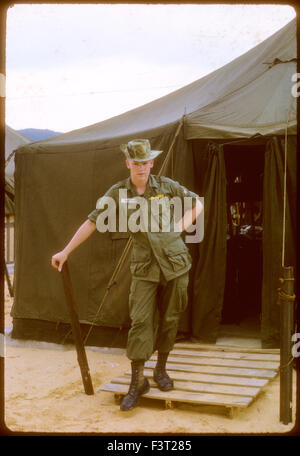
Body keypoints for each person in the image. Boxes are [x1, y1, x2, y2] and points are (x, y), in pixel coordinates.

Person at [51, 139, 203, 411]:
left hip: (175, 263)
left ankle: (161, 371)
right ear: (128, 163)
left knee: (170, 319)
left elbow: (197, 204)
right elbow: (92, 221)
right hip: (144, 267)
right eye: (136, 162)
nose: (142, 167)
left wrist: (178, 228)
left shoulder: (166, 186)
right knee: (141, 322)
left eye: (146, 162)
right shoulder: (119, 192)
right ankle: (137, 382)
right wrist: (66, 251)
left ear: (152, 162)